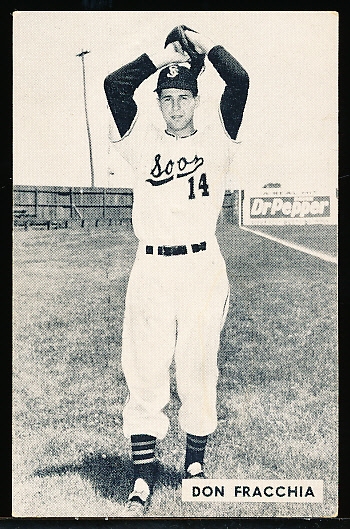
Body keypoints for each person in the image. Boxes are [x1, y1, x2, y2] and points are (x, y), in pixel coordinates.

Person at [104, 28, 249, 515]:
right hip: (151, 267)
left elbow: (241, 81)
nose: (174, 107)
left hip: (202, 267)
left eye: (183, 97)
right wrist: (159, 57)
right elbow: (114, 86)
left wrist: (207, 50)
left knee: (197, 366)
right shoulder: (142, 140)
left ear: (195, 99)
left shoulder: (218, 137)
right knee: (144, 368)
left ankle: (193, 467)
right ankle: (143, 476)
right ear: (159, 102)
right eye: (166, 98)